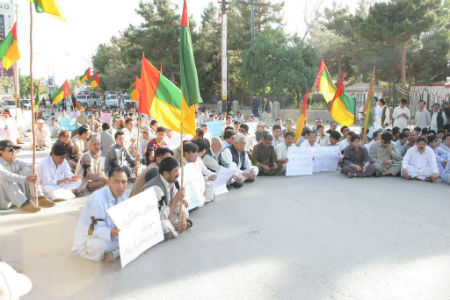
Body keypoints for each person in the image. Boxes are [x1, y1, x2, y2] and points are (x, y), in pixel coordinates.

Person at [71, 166, 128, 262]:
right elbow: (95, 228)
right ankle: (117, 250)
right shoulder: (98, 200)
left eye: (124, 182)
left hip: (113, 234)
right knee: (99, 246)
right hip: (91, 237)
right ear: (109, 181)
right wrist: (111, 232)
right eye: (116, 182)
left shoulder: (122, 196)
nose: (121, 186)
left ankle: (115, 251)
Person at [142, 157, 191, 238]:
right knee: (165, 226)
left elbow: (178, 206)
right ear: (166, 174)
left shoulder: (172, 181)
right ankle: (174, 226)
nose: (178, 174)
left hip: (166, 212)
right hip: (151, 218)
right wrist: (176, 198)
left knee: (183, 213)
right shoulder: (155, 187)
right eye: (175, 171)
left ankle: (177, 225)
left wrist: (183, 220)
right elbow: (162, 215)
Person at [0, 140, 54, 212]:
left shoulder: (16, 161)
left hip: (17, 198)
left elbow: (30, 167)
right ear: (1, 152)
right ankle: (24, 204)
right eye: (10, 150)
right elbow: (5, 175)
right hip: (4, 201)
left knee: (29, 171)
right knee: (8, 180)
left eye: (15, 149)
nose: (14, 152)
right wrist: (25, 178)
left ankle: (39, 197)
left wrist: (33, 174)